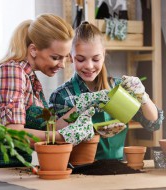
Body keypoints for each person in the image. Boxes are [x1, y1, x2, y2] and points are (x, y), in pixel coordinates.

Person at [0, 14, 95, 167]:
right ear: (34, 50)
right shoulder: (12, 72)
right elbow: (14, 134)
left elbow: (49, 128)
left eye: (64, 57)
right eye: (56, 57)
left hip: (15, 167)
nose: (62, 65)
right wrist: (63, 137)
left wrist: (81, 108)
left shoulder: (29, 78)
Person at [49, 21, 164, 160]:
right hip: (79, 172)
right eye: (80, 59)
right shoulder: (62, 95)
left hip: (118, 169)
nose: (89, 66)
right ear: (71, 57)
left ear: (103, 54)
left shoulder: (118, 88)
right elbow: (51, 137)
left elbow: (153, 124)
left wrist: (143, 96)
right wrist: (80, 107)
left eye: (96, 59)